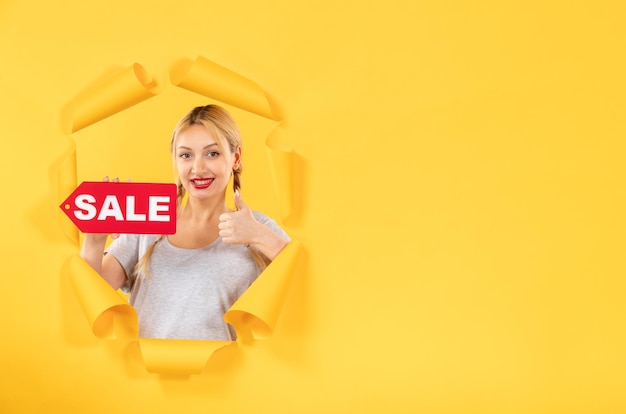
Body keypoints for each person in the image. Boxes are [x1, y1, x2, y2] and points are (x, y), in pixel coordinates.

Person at [80, 104, 290, 341]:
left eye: (212, 153)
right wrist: (95, 239)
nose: (198, 168)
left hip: (224, 375)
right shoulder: (150, 219)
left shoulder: (255, 226)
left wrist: (258, 235)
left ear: (236, 158)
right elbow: (92, 298)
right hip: (144, 374)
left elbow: (305, 282)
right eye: (186, 155)